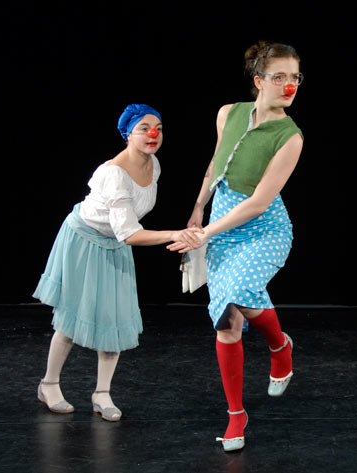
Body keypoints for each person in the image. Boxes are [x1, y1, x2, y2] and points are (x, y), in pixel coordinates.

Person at [168, 41, 304, 451]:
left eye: (295, 77)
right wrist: (198, 209)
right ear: (259, 80)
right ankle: (235, 416)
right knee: (227, 321)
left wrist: (206, 232)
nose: (289, 85)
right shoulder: (228, 113)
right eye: (279, 76)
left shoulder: (291, 137)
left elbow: (259, 202)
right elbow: (216, 164)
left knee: (242, 291)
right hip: (221, 224)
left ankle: (280, 346)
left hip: (263, 228)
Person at [33, 104, 201, 421]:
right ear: (128, 134)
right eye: (144, 128)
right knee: (72, 318)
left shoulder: (154, 164)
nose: (153, 134)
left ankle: (102, 393)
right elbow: (129, 233)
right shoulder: (113, 174)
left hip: (115, 243)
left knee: (116, 318)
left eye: (158, 128)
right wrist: (173, 233)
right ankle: (49, 384)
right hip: (85, 241)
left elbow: (126, 231)